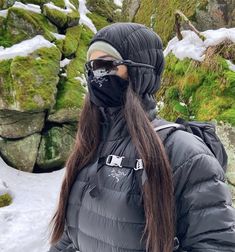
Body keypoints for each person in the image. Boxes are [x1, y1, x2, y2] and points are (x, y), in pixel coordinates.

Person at [47, 22, 235, 252]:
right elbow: (68, 236)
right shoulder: (91, 146)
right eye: (91, 67)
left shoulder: (182, 152)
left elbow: (216, 244)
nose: (96, 75)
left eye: (105, 64)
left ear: (141, 72)